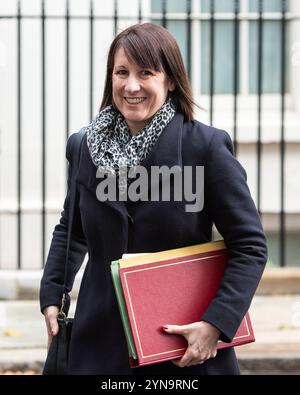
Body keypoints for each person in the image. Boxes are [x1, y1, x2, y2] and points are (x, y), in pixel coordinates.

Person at [40, 22, 268, 375]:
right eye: (121, 72)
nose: (131, 86)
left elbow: (250, 245)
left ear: (170, 80)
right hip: (99, 344)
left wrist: (215, 324)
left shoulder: (204, 147)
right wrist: (53, 294)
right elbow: (72, 229)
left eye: (145, 72)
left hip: (183, 345)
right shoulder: (83, 147)